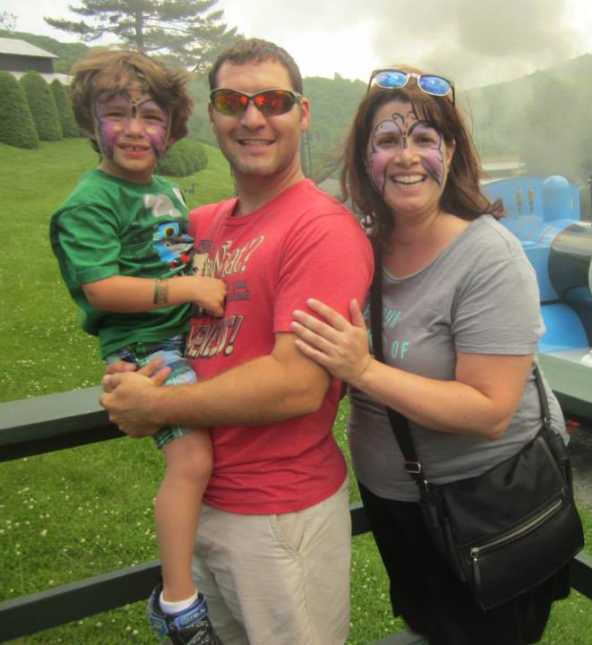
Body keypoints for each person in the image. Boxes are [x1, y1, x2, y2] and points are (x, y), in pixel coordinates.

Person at [100, 39, 374, 644]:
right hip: (201, 504)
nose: (253, 118)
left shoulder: (321, 230)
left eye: (273, 101)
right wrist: (129, 368)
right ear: (213, 114)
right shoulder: (202, 225)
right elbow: (138, 311)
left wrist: (158, 407)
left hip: (278, 521)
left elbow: (297, 384)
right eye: (233, 101)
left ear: (302, 114)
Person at [290, 67, 571, 645]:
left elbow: (490, 410)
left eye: (424, 139)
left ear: (451, 152)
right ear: (366, 158)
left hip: (486, 501)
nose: (406, 156)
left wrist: (363, 369)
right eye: (388, 141)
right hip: (397, 502)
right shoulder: (358, 244)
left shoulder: (489, 258)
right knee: (428, 629)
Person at [50, 50, 226, 644]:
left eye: (149, 115)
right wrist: (182, 287)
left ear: (172, 127)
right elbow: (100, 286)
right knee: (192, 459)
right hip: (150, 351)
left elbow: (177, 247)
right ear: (89, 121)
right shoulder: (90, 202)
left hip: (188, 336)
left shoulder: (166, 192)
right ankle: (178, 602)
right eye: (115, 113)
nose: (133, 129)